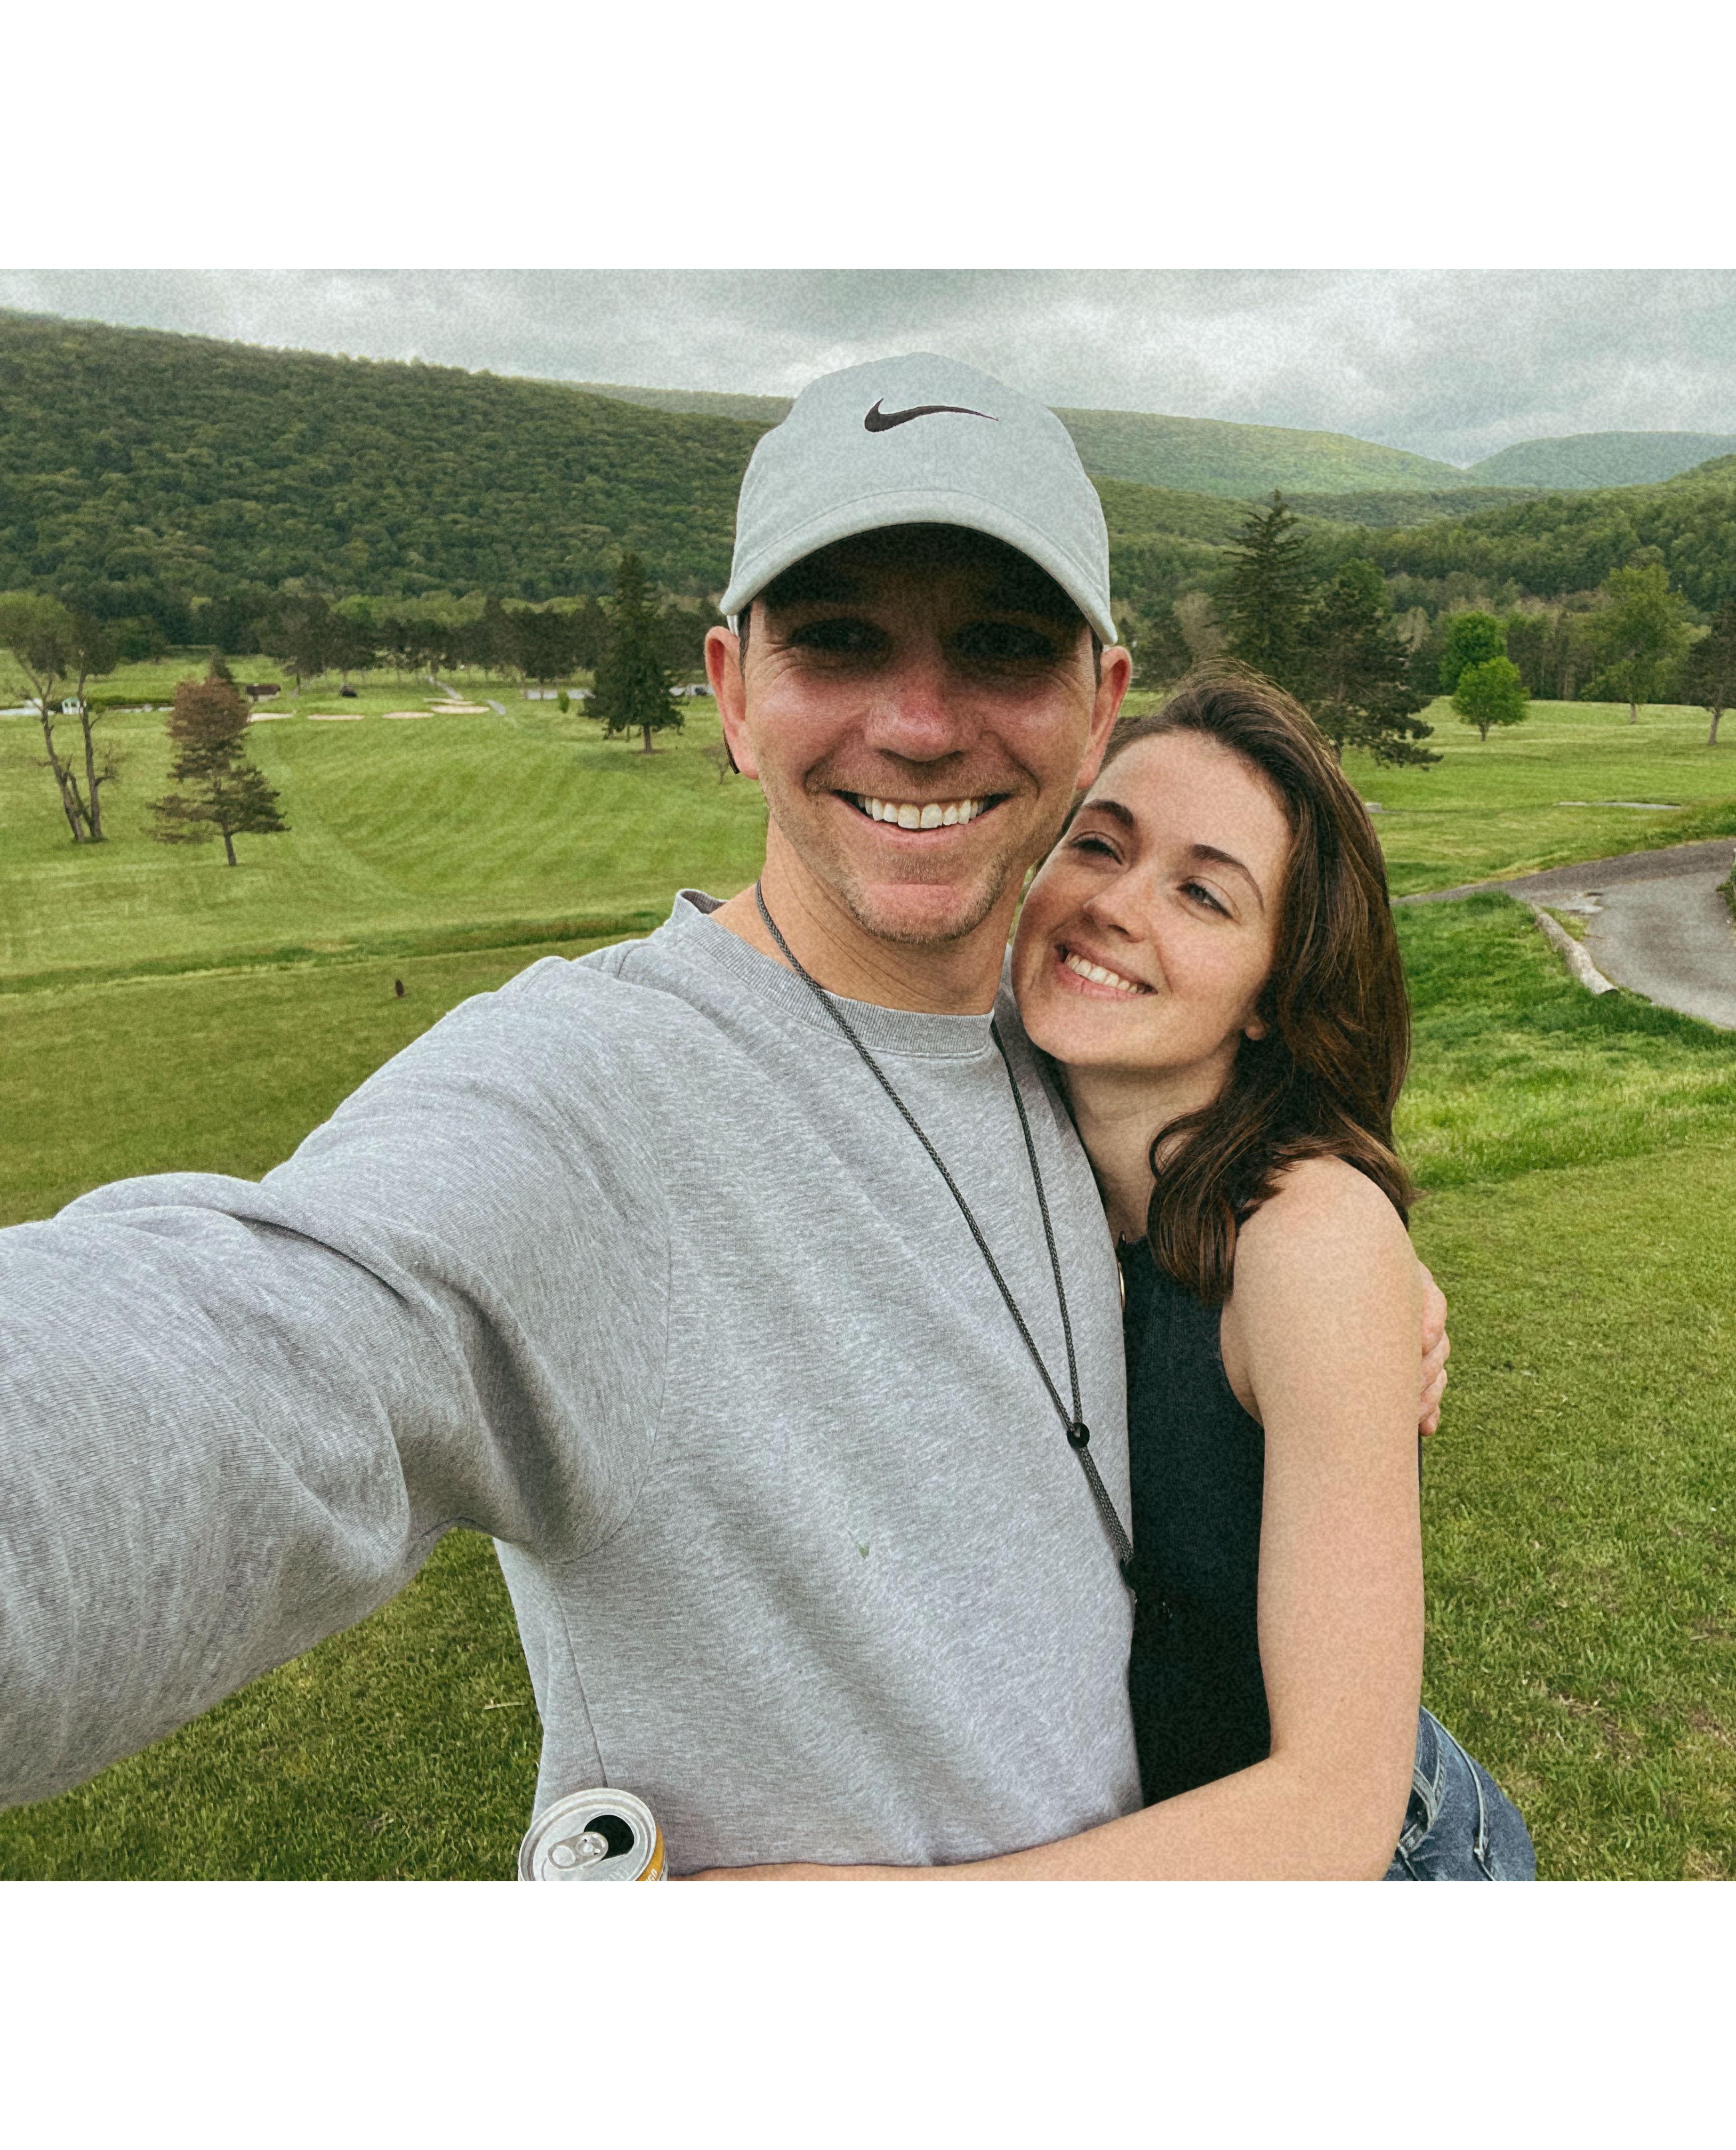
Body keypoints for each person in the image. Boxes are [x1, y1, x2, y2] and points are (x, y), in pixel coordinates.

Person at [0, 353, 1448, 1876]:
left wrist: (1347, 1273)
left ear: (1096, 710)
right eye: (835, 640)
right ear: (733, 693)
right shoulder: (582, 1096)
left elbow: (1254, 1170)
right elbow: (260, 1339)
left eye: (1001, 646)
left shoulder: (1062, 1049)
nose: (917, 722)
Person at [688, 671, 1532, 1880]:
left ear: (1269, 996)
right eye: (1099, 846)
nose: (1115, 908)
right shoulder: (1006, 1118)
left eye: (1202, 893)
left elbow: (1336, 1801)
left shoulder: (1308, 1242)